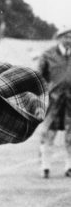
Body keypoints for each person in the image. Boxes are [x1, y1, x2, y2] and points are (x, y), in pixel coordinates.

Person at [38, 28, 71, 179]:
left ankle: (69, 166)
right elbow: (39, 77)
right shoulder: (48, 55)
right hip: (54, 100)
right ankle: (45, 166)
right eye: (66, 37)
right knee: (48, 132)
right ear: (59, 38)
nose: (69, 40)